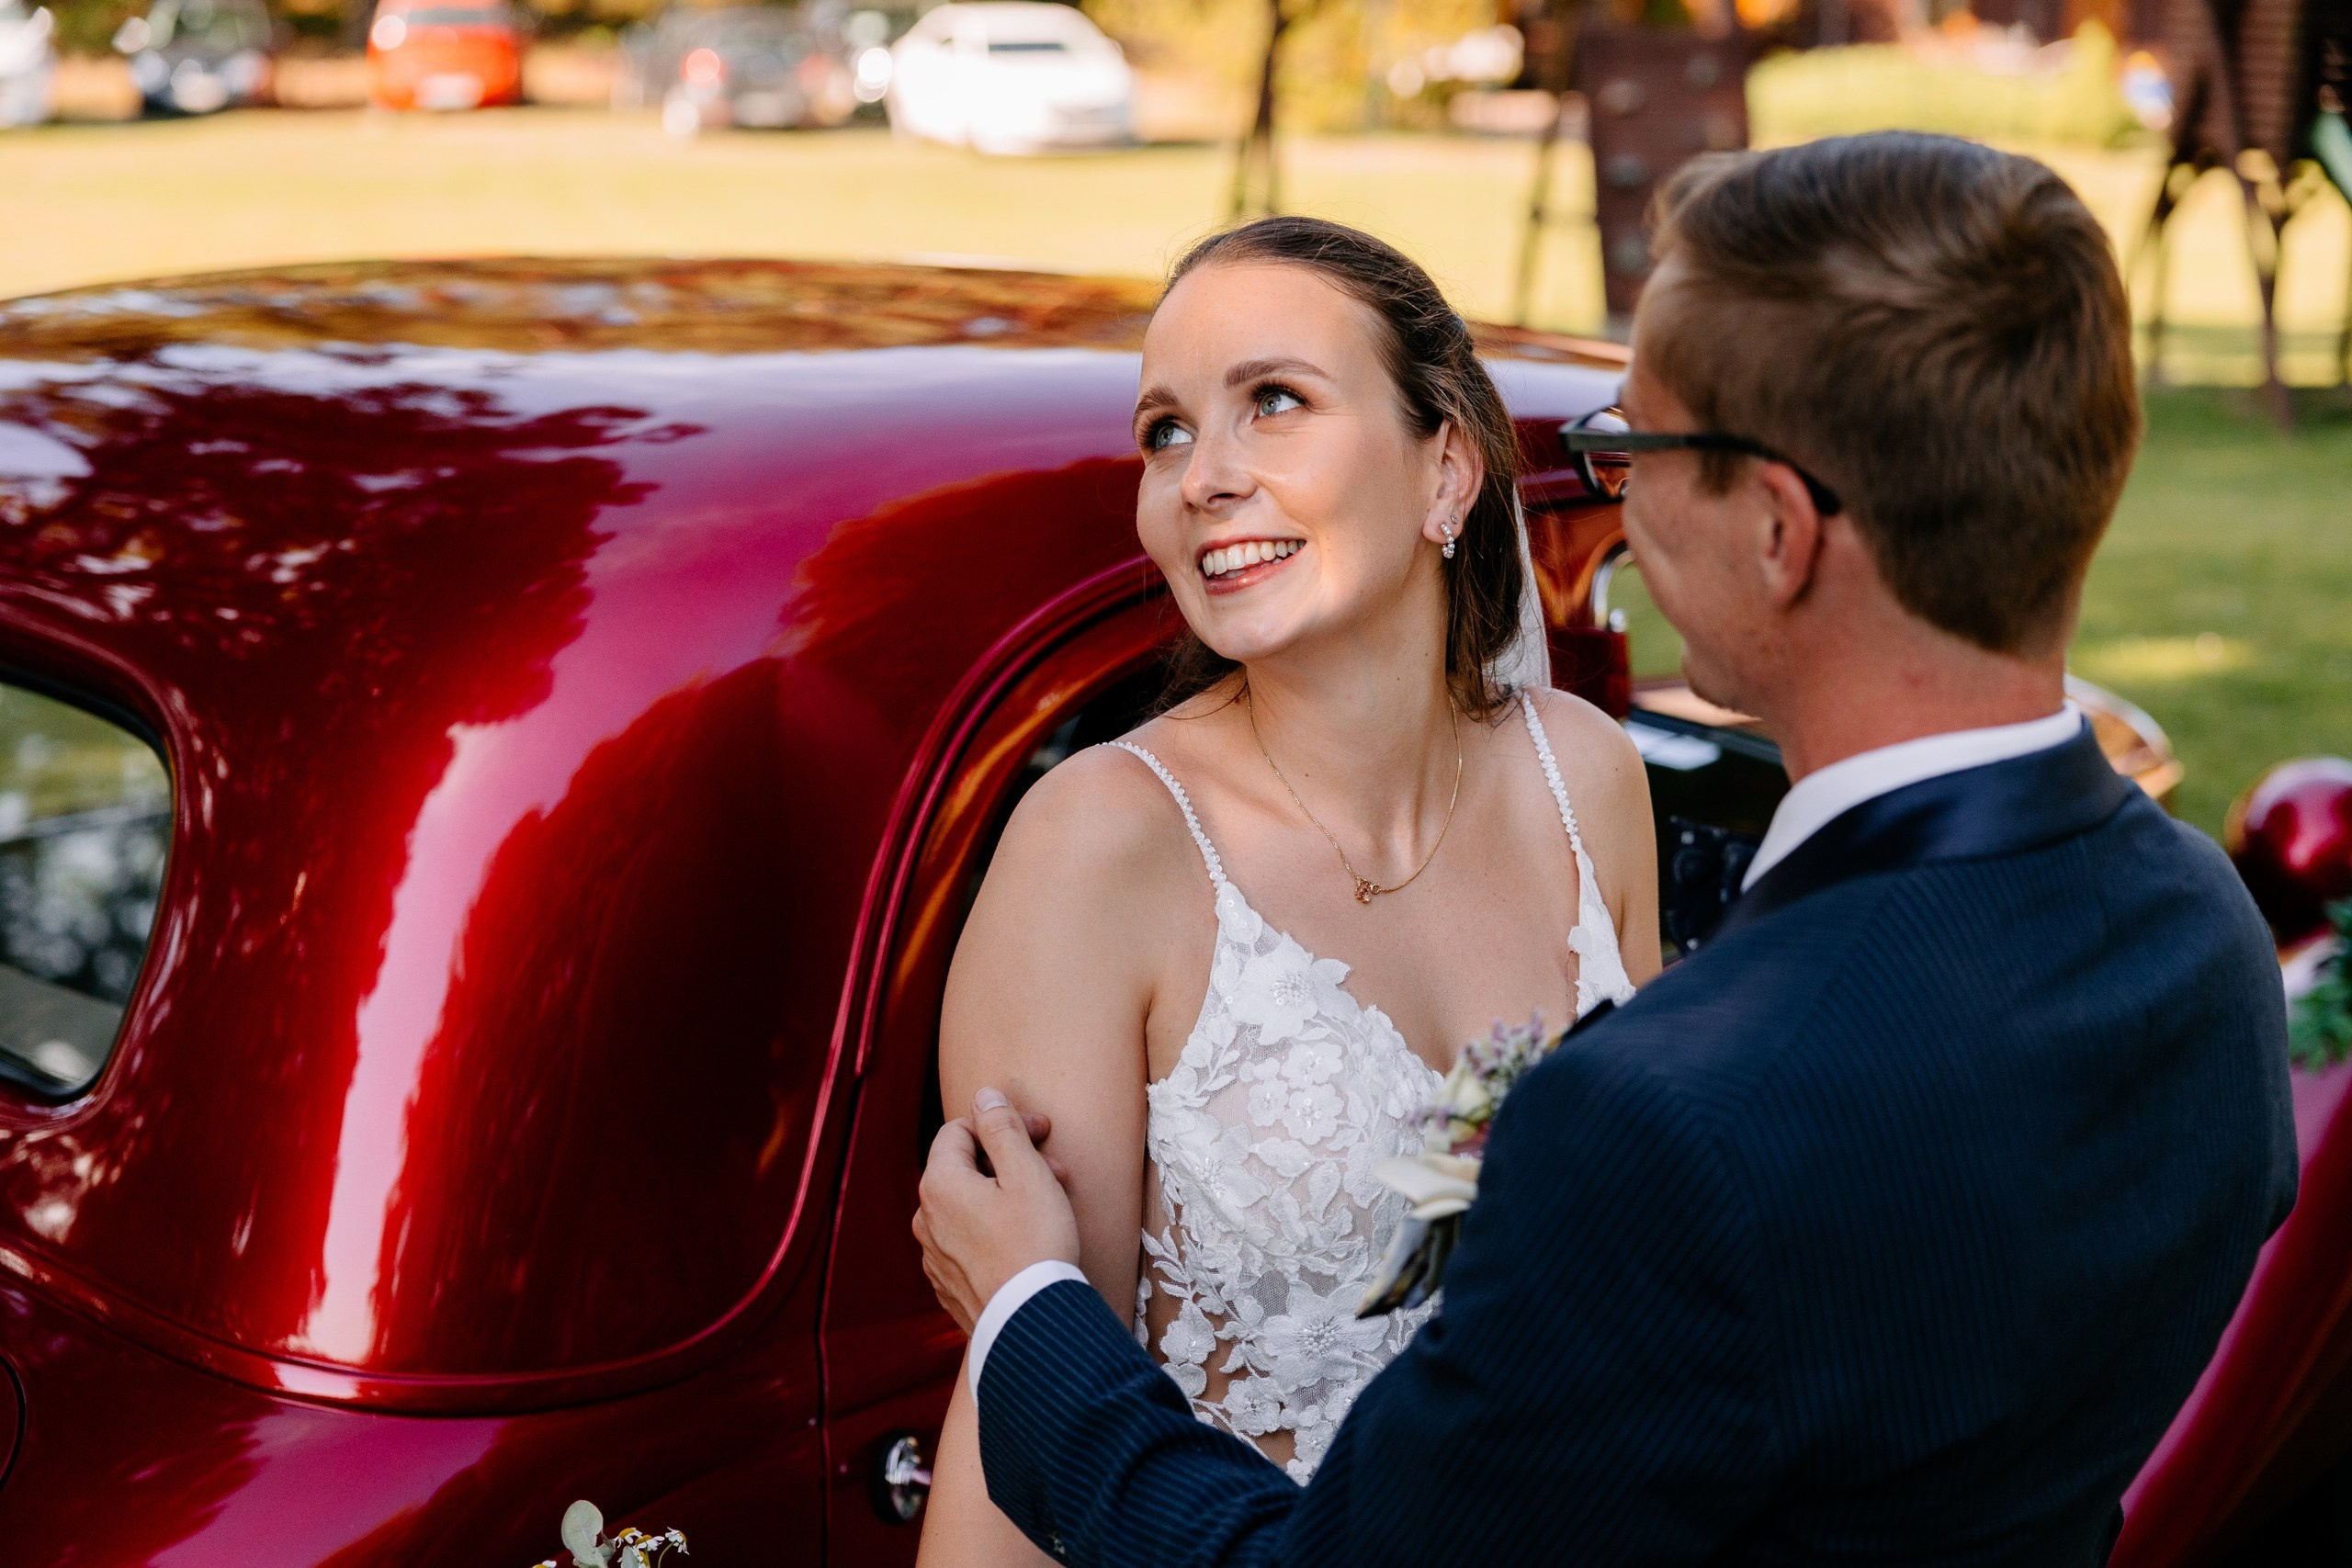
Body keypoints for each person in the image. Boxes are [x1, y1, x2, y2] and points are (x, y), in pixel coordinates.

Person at [912, 132, 2301, 1567]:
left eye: (1644, 446)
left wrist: (1025, 1322)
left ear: (1775, 531)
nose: (1615, 493)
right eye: (1165, 429)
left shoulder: (1662, 1077)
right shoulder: (2200, 934)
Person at [914, 218, 1662, 1567]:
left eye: (1272, 401)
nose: (1202, 476)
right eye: (1164, 429)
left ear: (1446, 468)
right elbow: (1028, 1398)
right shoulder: (1101, 850)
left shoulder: (1587, 778)